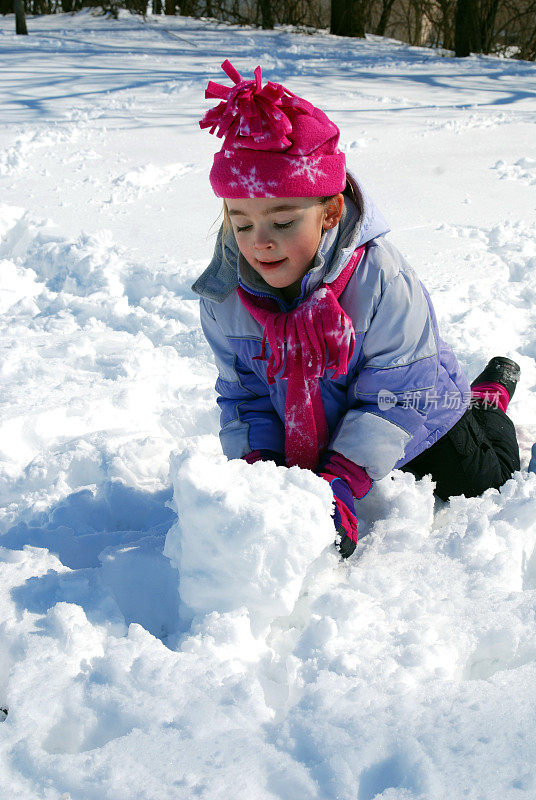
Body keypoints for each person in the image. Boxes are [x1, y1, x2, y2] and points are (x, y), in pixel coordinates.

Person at [193, 60, 521, 558]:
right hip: (325, 427)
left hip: (415, 414)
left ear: (330, 213)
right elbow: (245, 397)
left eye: (282, 222)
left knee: (487, 482)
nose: (259, 244)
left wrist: (341, 482)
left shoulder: (381, 281)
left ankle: (485, 400)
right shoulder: (226, 297)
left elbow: (399, 391)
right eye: (242, 224)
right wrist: (261, 473)